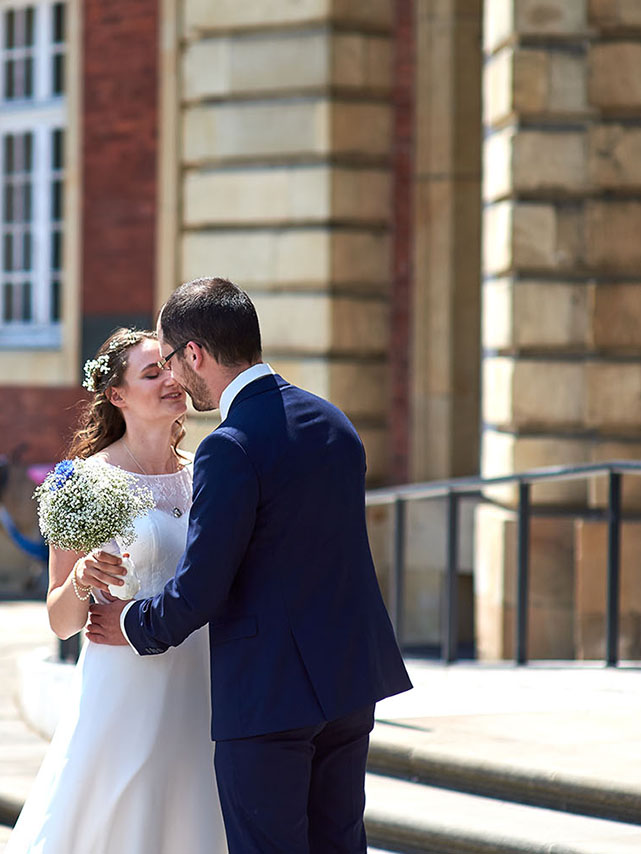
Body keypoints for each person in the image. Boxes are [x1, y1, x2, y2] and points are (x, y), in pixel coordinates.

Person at [87, 278, 413, 854]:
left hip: (268, 695)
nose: (173, 378)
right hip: (349, 680)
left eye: (170, 359)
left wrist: (133, 624)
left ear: (195, 354)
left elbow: (203, 586)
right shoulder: (333, 421)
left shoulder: (228, 446)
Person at [4, 327, 229, 854]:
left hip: (206, 678)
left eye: (171, 368)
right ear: (117, 396)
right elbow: (60, 621)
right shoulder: (81, 482)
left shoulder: (210, 472)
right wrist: (81, 578)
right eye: (152, 374)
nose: (171, 380)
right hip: (125, 686)